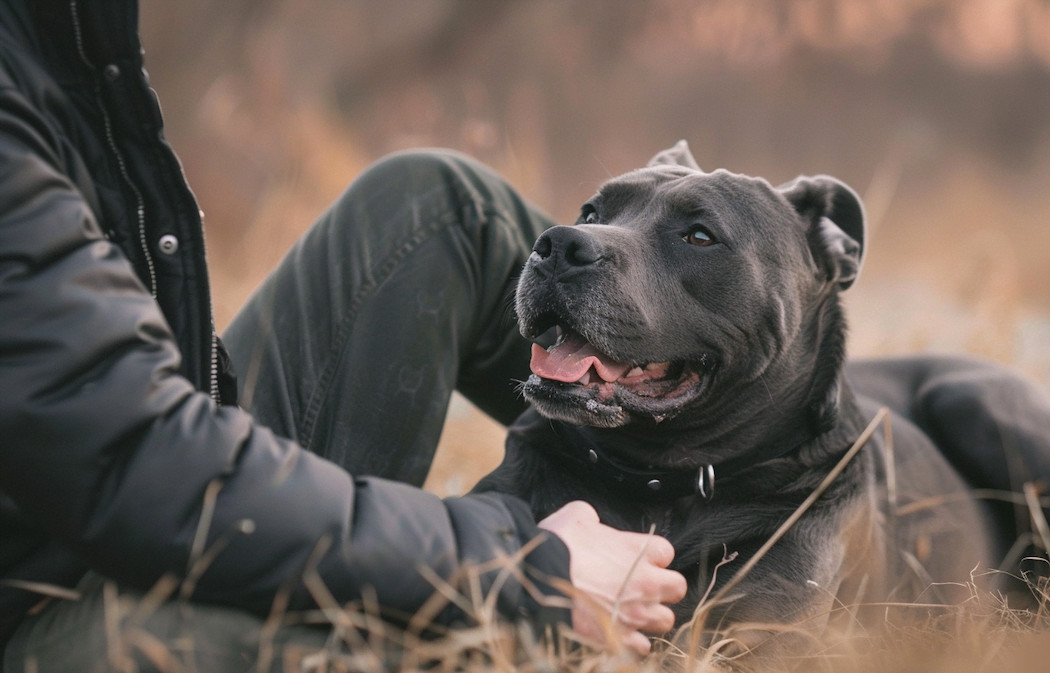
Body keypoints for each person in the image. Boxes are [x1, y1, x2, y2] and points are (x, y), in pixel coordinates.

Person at [0, 1, 687, 670]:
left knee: (435, 210)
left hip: (80, 517)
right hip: (44, 604)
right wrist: (518, 572)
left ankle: (759, 498)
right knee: (217, 637)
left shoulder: (45, 31)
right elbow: (136, 463)